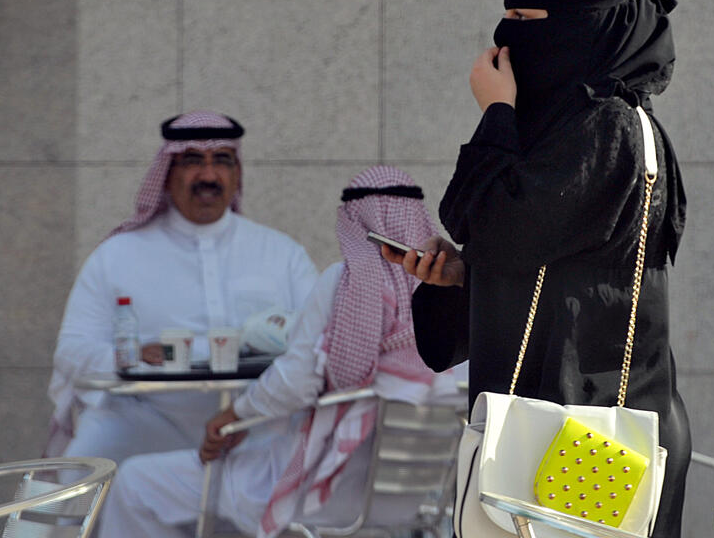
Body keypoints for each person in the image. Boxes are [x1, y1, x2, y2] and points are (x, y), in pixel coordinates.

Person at [382, 0, 690, 536]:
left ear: (586, 25)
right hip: (557, 426)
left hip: (589, 443)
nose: (506, 37)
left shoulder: (608, 126)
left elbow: (491, 222)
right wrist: (466, 276)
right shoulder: (577, 124)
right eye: (509, 17)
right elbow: (537, 254)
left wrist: (496, 113)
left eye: (526, 21)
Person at [98, 165, 463, 538]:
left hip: (321, 493)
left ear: (356, 222)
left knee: (134, 483)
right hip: (413, 501)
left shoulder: (348, 284)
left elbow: (296, 380)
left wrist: (233, 415)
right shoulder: (453, 299)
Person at [46, 110, 319, 465]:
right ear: (166, 173)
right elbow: (72, 350)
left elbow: (319, 344)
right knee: (81, 468)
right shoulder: (117, 255)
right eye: (192, 161)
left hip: (258, 422)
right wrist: (129, 357)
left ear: (237, 174)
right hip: (149, 419)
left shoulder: (282, 254)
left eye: (221, 161)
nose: (208, 175)